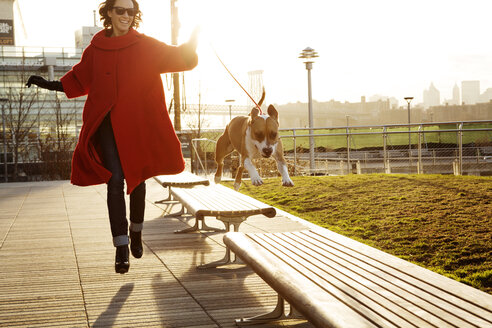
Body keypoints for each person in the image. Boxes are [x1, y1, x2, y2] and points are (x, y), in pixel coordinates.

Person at [26, 0, 199, 274]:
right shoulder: (96, 48)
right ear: (108, 12)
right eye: (120, 10)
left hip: (137, 124)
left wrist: (194, 37)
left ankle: (136, 231)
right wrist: (47, 83)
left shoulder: (146, 45)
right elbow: (79, 79)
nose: (126, 16)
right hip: (106, 124)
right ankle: (121, 246)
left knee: (137, 177)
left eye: (131, 11)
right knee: (115, 178)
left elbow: (181, 57)